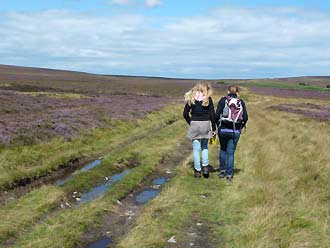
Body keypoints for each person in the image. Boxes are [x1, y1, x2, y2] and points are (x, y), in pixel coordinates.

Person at [183, 82, 216, 178]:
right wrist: (213, 128)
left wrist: (191, 123)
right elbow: (212, 115)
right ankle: (205, 167)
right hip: (206, 124)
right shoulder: (208, 99)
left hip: (195, 124)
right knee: (205, 146)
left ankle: (197, 171)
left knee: (196, 149)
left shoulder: (191, 98)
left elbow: (185, 114)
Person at [215, 85, 248, 181]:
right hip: (235, 131)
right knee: (230, 153)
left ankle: (222, 171)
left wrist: (218, 125)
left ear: (228, 91)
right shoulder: (241, 102)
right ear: (237, 92)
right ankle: (229, 174)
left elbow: (217, 115)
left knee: (223, 150)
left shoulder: (223, 100)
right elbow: (245, 117)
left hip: (223, 129)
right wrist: (241, 126)